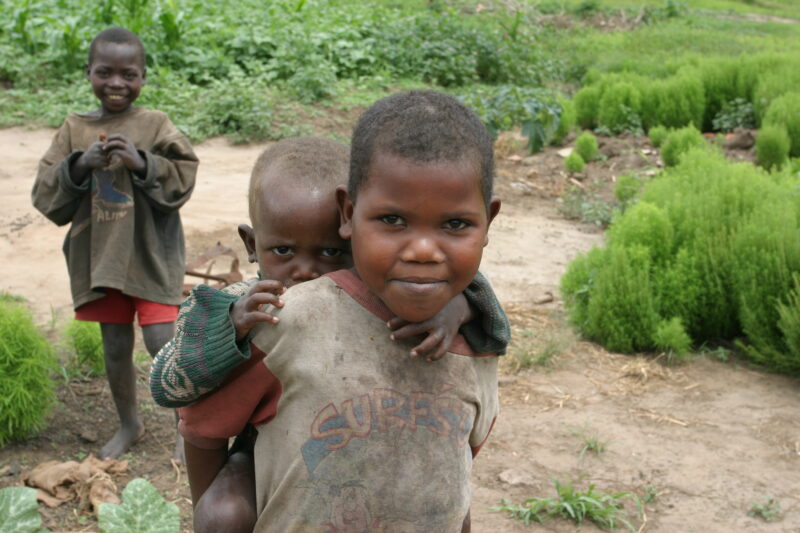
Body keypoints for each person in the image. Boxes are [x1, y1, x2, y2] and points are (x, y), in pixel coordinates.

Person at [173, 90, 502, 532]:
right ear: (349, 214)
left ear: (488, 223)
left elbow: (456, 464)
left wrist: (462, 307)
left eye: (455, 223)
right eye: (392, 220)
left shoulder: (475, 337)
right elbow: (196, 419)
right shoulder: (280, 320)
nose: (423, 250)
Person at [31, 27, 198, 462]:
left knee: (162, 339)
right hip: (101, 256)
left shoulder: (155, 124)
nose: (117, 83)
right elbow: (45, 192)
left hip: (152, 253)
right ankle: (130, 423)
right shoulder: (75, 129)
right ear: (88, 73)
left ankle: (188, 424)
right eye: (105, 72)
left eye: (129, 74)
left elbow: (184, 173)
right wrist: (79, 165)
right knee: (115, 345)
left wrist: (143, 161)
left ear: (143, 76)